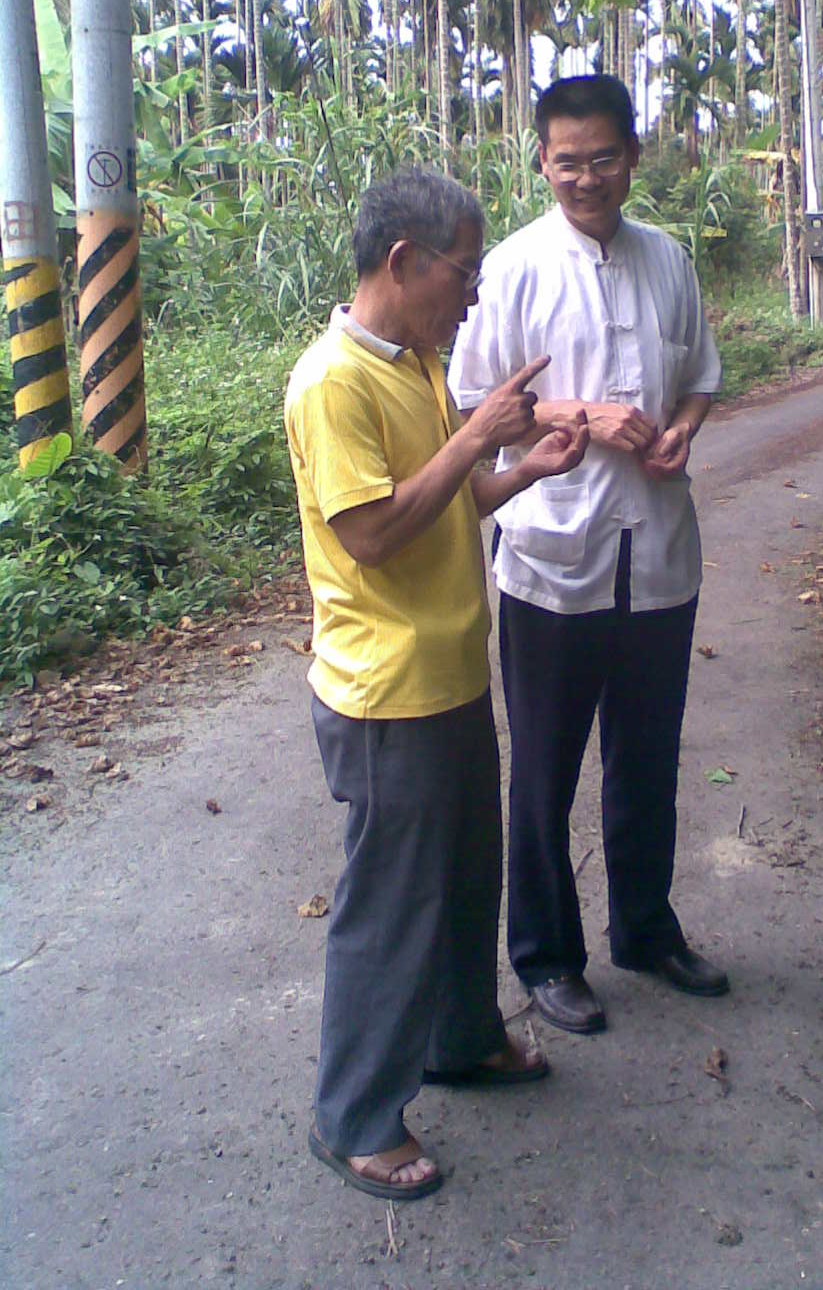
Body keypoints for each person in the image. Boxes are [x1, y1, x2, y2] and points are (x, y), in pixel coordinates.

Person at [284, 169, 587, 1200]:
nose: (474, 292)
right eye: (466, 268)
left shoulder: (415, 360)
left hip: (450, 671)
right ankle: (355, 1115)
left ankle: (461, 1041)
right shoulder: (333, 382)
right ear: (404, 261)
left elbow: (445, 503)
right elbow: (371, 535)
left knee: (464, 885)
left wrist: (523, 469)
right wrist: (473, 434)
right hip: (385, 694)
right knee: (391, 907)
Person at [448, 74, 726, 1036]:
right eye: (567, 160)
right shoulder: (517, 267)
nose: (586, 177)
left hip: (656, 552)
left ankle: (644, 929)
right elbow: (475, 404)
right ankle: (546, 956)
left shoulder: (668, 261)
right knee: (545, 766)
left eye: (603, 157)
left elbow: (698, 380)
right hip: (550, 553)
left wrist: (682, 427)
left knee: (647, 759)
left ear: (632, 158)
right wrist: (579, 415)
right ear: (542, 162)